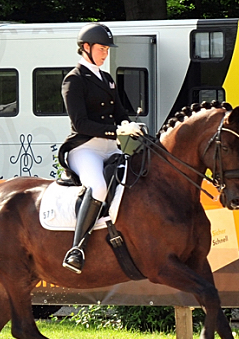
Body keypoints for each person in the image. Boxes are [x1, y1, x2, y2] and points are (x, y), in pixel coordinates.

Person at [59, 23, 143, 274]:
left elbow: (120, 113)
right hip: (84, 148)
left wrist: (131, 125)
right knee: (99, 187)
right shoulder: (73, 79)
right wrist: (114, 131)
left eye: (107, 49)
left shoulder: (106, 79)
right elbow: (80, 123)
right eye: (102, 48)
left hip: (111, 148)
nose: (106, 53)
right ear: (86, 48)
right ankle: (77, 248)